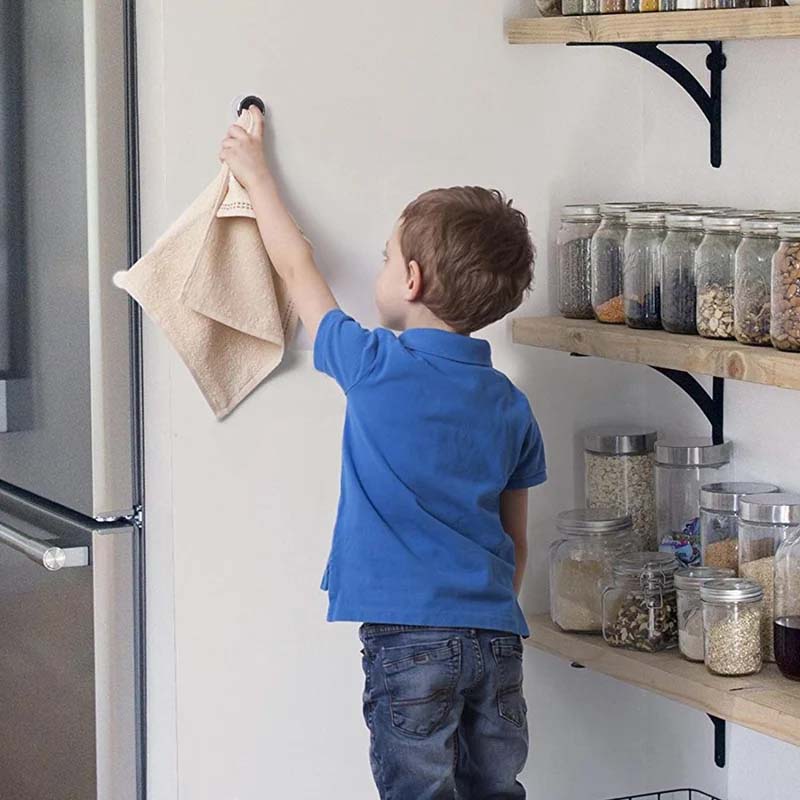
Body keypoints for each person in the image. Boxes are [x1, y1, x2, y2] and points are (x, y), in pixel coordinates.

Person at [220, 106, 546, 800]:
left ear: (413, 280)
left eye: (385, 257)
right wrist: (482, 612)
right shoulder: (511, 405)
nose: (381, 267)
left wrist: (255, 175)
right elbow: (516, 540)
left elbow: (295, 266)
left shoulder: (373, 364)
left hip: (409, 641)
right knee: (495, 790)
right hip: (496, 639)